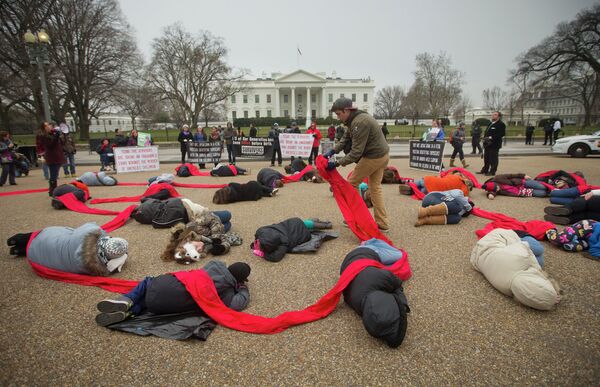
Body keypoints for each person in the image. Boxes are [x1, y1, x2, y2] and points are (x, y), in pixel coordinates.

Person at [94, 261, 250, 327]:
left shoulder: (213, 266)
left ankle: (127, 299)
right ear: (239, 280)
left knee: (148, 282)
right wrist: (242, 288)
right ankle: (129, 313)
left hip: (161, 284)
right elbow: (238, 304)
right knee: (148, 304)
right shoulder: (226, 292)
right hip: (159, 306)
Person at [324, 97, 390, 232]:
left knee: (352, 183)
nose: (338, 117)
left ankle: (357, 218)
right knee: (375, 188)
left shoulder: (359, 123)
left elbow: (355, 152)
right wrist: (332, 150)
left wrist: (336, 163)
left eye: (338, 114)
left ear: (347, 110)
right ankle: (382, 223)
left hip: (373, 157)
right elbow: (345, 139)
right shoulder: (355, 119)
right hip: (382, 155)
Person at [470, 229, 560, 311]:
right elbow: (528, 295)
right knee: (539, 254)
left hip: (495, 239)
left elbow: (528, 255)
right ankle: (527, 235)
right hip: (477, 257)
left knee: (538, 255)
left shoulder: (519, 258)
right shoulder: (509, 289)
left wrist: (551, 288)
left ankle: (525, 235)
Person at [339, 246, 409, 347]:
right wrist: (402, 303)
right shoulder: (358, 306)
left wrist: (401, 304)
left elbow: (397, 284)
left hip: (367, 250)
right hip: (346, 266)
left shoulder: (380, 277)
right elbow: (398, 286)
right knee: (400, 256)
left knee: (400, 255)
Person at [7, 222, 129, 275]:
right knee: (55, 249)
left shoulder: (89, 231)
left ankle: (18, 239)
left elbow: (91, 225)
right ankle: (20, 250)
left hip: (46, 237)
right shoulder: (92, 269)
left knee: (56, 233)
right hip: (36, 257)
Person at [250, 217, 335, 262]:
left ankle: (326, 225)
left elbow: (276, 257)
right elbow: (258, 234)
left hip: (302, 233)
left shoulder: (283, 243)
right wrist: (255, 243)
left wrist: (263, 254)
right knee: (306, 223)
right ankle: (316, 221)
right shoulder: (263, 230)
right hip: (293, 222)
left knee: (306, 226)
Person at [36, 121, 65, 196]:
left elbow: (61, 143)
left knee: (55, 174)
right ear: (44, 128)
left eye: (49, 125)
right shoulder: (43, 136)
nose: (49, 126)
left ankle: (53, 190)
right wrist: (56, 136)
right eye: (47, 125)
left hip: (57, 156)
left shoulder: (52, 134)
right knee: (53, 174)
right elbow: (50, 145)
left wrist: (60, 136)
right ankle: (52, 190)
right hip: (52, 157)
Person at [399, 171, 473, 196]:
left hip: (429, 179)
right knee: (419, 191)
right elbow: (461, 195)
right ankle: (411, 191)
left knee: (418, 182)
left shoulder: (456, 176)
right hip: (432, 189)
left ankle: (409, 184)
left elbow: (444, 177)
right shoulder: (465, 188)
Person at [478, 111, 506, 176]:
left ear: (499, 116)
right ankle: (485, 169)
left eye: (495, 115)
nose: (493, 116)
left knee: (493, 158)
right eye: (493, 114)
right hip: (487, 144)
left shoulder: (501, 124)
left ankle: (492, 171)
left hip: (494, 144)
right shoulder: (490, 123)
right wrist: (484, 137)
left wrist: (491, 137)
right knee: (486, 158)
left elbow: (502, 134)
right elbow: (487, 132)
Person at [483, 173, 548, 199]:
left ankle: (552, 186)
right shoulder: (493, 188)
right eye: (496, 189)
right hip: (521, 191)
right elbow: (491, 192)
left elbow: (512, 175)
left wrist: (523, 175)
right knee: (543, 193)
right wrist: (490, 195)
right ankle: (552, 193)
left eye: (497, 187)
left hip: (521, 183)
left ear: (495, 183)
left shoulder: (498, 177)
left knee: (542, 187)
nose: (497, 189)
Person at [212, 181, 278, 204]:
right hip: (252, 186)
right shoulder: (232, 185)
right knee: (258, 186)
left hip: (254, 197)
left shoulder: (231, 199)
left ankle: (268, 194)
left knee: (260, 192)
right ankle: (270, 190)